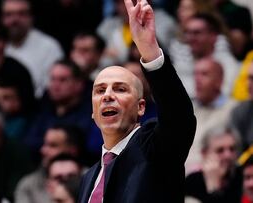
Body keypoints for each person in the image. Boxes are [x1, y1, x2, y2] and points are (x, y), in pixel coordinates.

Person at [78, 0, 196, 202]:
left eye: (120, 89)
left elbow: (179, 116)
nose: (107, 95)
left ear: (141, 107)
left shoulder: (155, 149)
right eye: (99, 90)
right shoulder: (89, 177)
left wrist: (148, 49)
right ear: (92, 111)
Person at [1, 0, 64, 98]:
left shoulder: (48, 47)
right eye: (9, 14)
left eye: (21, 14)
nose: (14, 20)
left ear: (31, 17)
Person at [186, 58, 238, 173]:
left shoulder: (234, 110)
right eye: (195, 74)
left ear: (219, 81)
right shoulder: (187, 109)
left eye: (204, 74)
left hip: (212, 174)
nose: (197, 79)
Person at [15, 124, 84, 203]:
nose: (43, 150)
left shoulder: (94, 180)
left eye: (53, 145)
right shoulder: (28, 185)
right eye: (57, 178)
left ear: (72, 150)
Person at [185, 127, 243, 203]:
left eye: (232, 149)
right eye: (220, 150)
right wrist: (212, 183)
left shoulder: (244, 177)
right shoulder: (193, 181)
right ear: (204, 153)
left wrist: (213, 189)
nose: (228, 155)